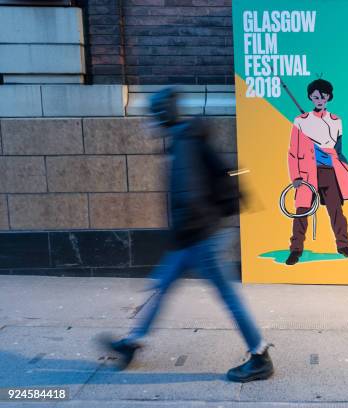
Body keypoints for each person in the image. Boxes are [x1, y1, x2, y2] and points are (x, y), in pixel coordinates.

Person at [99, 88, 274, 383]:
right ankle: (133, 343)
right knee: (161, 287)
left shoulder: (184, 143)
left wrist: (185, 235)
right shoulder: (184, 139)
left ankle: (260, 356)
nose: (148, 123)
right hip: (190, 237)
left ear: (163, 115)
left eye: (152, 117)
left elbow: (187, 194)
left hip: (199, 238)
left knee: (227, 297)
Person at [285, 79, 348, 265]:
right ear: (310, 98)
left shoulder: (336, 121)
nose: (319, 99)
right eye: (315, 96)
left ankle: (343, 245)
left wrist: (345, 169)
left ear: (328, 97)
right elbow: (293, 151)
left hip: (331, 172)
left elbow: (339, 149)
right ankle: (295, 250)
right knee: (302, 211)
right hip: (308, 173)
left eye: (323, 96)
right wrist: (295, 176)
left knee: (336, 211)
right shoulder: (300, 121)